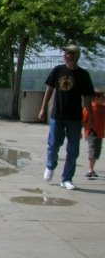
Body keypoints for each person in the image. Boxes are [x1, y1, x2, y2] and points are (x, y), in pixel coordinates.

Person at [37, 44, 95, 190]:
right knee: (54, 144)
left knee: (73, 149)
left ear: (75, 56)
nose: (65, 55)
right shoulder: (58, 70)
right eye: (65, 53)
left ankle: (67, 178)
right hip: (58, 114)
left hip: (75, 117)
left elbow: (88, 97)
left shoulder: (83, 75)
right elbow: (49, 90)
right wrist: (43, 108)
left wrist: (90, 115)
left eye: (68, 53)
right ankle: (50, 166)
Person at [83, 89, 105, 178]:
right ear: (96, 98)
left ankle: (92, 169)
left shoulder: (103, 108)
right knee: (92, 150)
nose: (104, 99)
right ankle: (90, 170)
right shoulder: (89, 108)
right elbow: (84, 121)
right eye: (102, 97)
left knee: (97, 151)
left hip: (100, 133)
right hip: (91, 132)